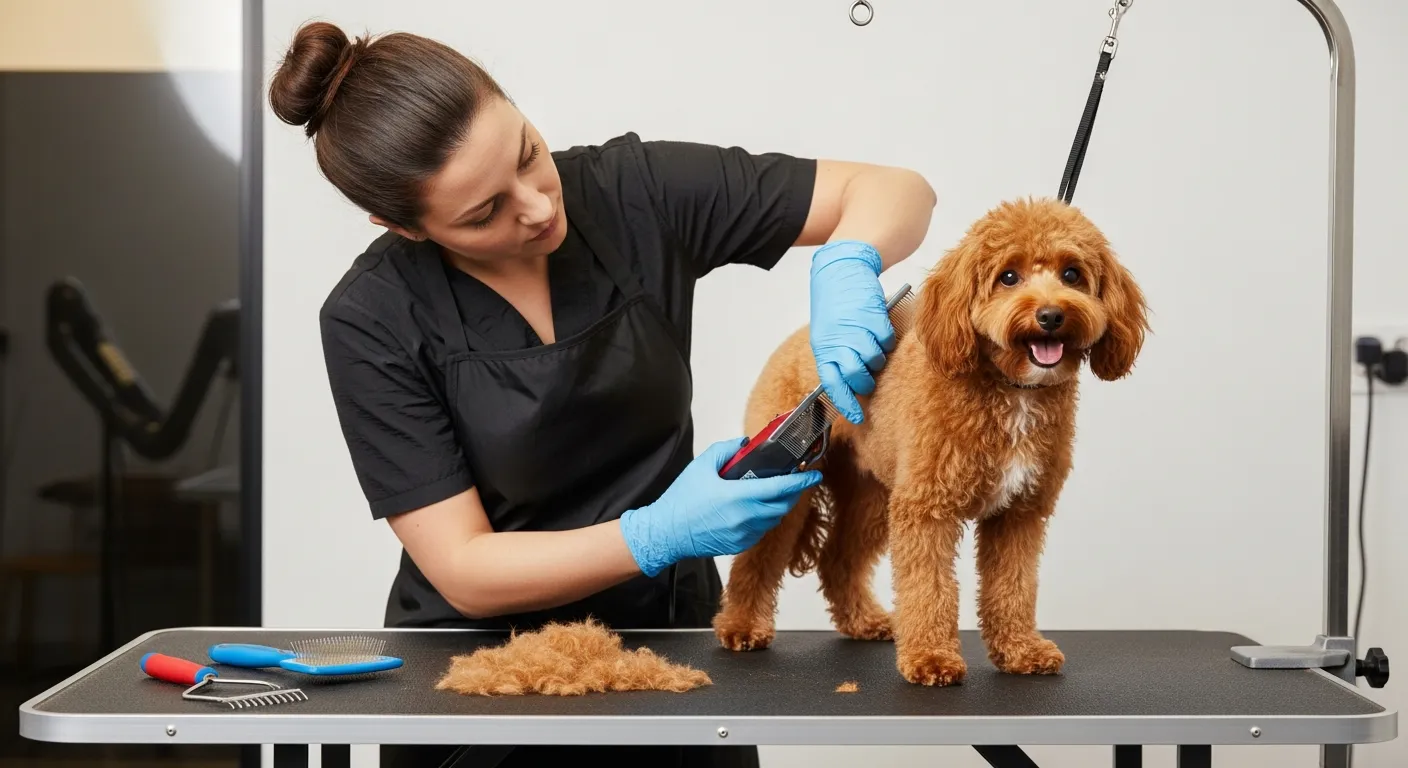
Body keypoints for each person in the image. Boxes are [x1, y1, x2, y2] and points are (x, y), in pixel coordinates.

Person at [270, 19, 936, 768]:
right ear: (403, 225)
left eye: (527, 152)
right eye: (482, 213)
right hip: (477, 684)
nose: (537, 207)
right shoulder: (371, 317)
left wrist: (848, 260)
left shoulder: (632, 192)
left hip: (673, 658)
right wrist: (656, 533)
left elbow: (892, 189)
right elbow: (464, 568)